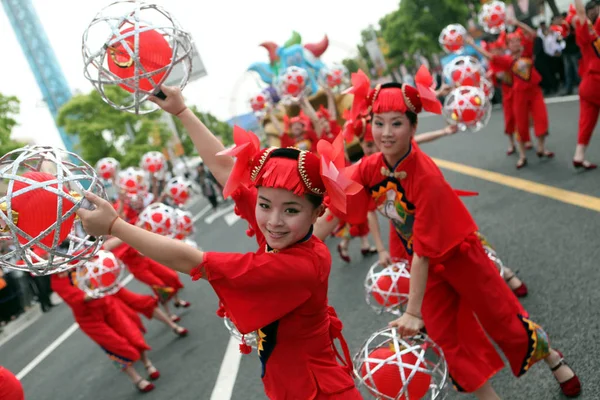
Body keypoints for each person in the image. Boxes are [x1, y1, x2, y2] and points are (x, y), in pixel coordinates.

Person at [76, 85, 363, 400]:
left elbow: (192, 261)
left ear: (317, 211)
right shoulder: (290, 231)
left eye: (290, 210)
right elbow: (228, 169)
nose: (273, 220)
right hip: (292, 382)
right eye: (264, 204)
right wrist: (182, 111)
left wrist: (116, 226)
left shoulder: (294, 265)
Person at [325, 67, 580, 399]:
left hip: (460, 256)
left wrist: (413, 312)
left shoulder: (425, 177)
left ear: (414, 127)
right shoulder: (372, 166)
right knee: (448, 341)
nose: (386, 133)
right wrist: (297, 242)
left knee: (506, 322)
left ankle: (554, 358)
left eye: (397, 123)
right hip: (429, 273)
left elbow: (424, 250)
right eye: (379, 122)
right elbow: (337, 204)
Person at [468, 19, 555, 169]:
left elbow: (532, 34)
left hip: (534, 92)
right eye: (512, 42)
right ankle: (522, 156)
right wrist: (472, 44)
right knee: (519, 125)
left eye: (517, 41)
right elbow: (490, 57)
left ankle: (541, 148)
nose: (515, 43)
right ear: (508, 46)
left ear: (521, 42)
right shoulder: (507, 60)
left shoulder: (527, 52)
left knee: (541, 119)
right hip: (518, 95)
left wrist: (516, 22)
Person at [51, 271, 157, 393]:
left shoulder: (78, 263)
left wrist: (107, 275)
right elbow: (80, 298)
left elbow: (99, 265)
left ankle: (147, 364)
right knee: (115, 346)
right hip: (89, 319)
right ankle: (136, 379)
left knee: (132, 333)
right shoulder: (57, 283)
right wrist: (103, 287)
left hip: (106, 305)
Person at [571, 0, 600, 170]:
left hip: (587, 85)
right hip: (596, 81)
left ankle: (579, 156)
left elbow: (581, 14)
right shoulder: (588, 33)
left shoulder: (587, 35)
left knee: (586, 122)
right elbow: (581, 13)